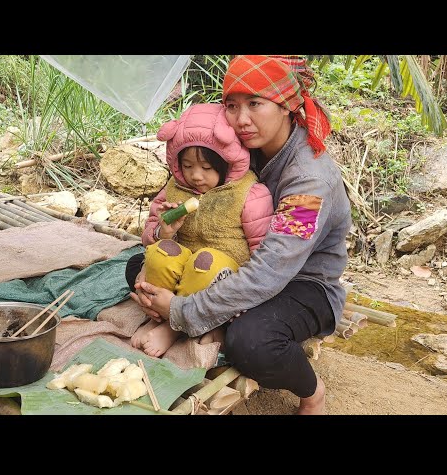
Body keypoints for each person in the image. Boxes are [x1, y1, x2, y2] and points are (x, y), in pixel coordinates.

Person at [130, 55, 352, 415]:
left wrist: (183, 310)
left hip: (302, 283)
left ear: (287, 106)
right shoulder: (241, 151)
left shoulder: (311, 184)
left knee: (251, 342)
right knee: (138, 265)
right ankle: (200, 318)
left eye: (255, 104)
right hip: (235, 258)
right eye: (232, 106)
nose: (242, 119)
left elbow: (269, 272)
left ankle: (312, 392)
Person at [125, 102, 274, 358]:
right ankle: (157, 317)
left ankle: (175, 328)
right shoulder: (173, 189)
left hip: (222, 274)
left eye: (206, 168)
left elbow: (264, 249)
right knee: (160, 252)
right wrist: (165, 231)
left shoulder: (249, 194)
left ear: (226, 163)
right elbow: (149, 234)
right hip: (181, 267)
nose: (196, 176)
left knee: (206, 262)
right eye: (187, 166)